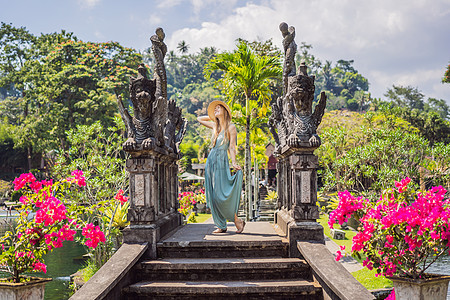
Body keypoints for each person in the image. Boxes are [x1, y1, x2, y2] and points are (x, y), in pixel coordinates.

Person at [197, 100, 245, 234]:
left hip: (222, 161)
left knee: (220, 195)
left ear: (225, 110)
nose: (216, 110)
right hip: (211, 161)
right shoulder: (214, 126)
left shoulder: (231, 127)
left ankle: (237, 220)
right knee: (213, 195)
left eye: (219, 108)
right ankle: (221, 225)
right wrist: (213, 117)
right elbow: (199, 118)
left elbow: (232, 147)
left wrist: (234, 162)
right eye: (215, 109)